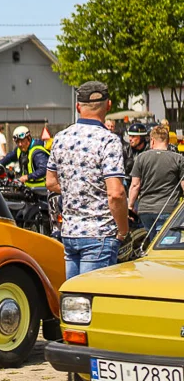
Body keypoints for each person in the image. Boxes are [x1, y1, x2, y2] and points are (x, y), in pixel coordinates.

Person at [46, 80, 127, 279]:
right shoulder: (109, 140)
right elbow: (115, 193)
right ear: (108, 105)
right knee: (94, 301)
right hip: (100, 234)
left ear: (77, 106)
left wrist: (76, 189)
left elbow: (50, 182)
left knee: (75, 302)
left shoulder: (61, 137)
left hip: (70, 232)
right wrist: (124, 231)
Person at [128, 125, 184, 241]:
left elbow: (135, 185)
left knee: (151, 243)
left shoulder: (141, 158)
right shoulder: (178, 159)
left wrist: (130, 205)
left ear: (152, 140)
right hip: (168, 209)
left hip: (145, 210)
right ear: (168, 141)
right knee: (167, 245)